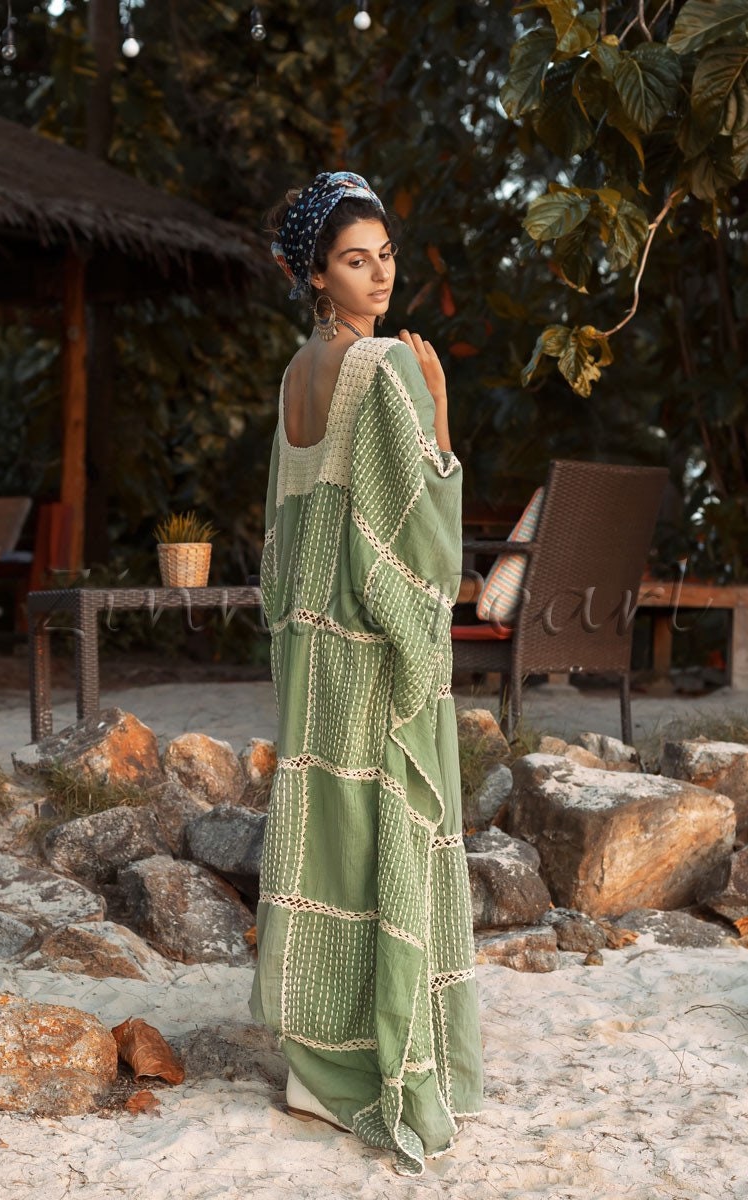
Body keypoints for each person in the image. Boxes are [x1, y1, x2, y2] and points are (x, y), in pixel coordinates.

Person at [249, 170, 483, 1177]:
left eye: (385, 256)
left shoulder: (295, 376)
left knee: (328, 849)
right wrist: (440, 410)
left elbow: (285, 527)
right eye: (355, 260)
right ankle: (387, 1064)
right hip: (372, 639)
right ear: (316, 275)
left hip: (310, 642)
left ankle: (316, 1066)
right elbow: (418, 521)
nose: (379, 276)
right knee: (389, 838)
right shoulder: (386, 366)